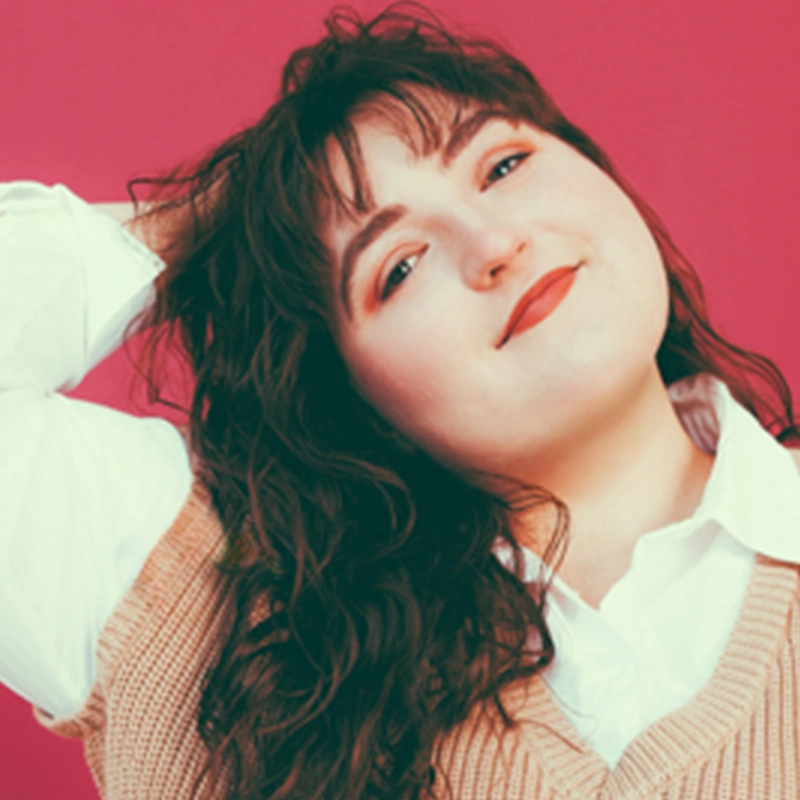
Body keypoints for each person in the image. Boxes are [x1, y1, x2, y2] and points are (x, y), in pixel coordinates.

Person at [2, 4, 799, 799]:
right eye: (400, 267)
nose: (494, 245)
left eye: (502, 167)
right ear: (345, 394)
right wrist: (237, 217)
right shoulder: (215, 639)